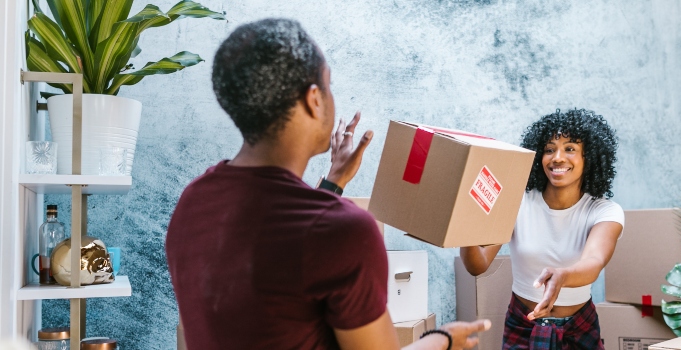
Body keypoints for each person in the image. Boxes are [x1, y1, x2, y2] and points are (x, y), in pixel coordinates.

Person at [165, 18, 490, 350]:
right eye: (330, 84)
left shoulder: (193, 202)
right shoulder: (344, 232)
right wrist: (442, 340)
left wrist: (333, 183)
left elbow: (273, 301)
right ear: (314, 99)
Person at [460, 109, 624, 349]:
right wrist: (462, 227)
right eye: (549, 149)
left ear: (589, 157)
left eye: (570, 148)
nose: (557, 158)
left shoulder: (604, 211)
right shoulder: (515, 202)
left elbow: (594, 261)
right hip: (523, 325)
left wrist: (563, 276)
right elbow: (478, 265)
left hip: (579, 328)